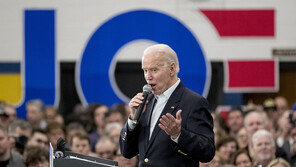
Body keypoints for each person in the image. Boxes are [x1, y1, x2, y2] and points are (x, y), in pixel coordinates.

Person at [119, 44, 215, 166]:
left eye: (154, 70)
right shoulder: (145, 101)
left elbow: (208, 152)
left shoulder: (194, 102)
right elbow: (126, 152)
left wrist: (178, 135)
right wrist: (133, 119)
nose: (148, 77)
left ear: (172, 69)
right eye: (145, 70)